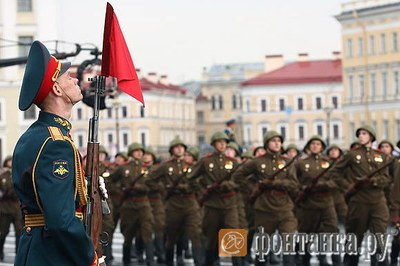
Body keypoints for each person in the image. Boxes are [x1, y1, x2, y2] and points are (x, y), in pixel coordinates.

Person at [12, 41, 97, 265]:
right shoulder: (55, 143)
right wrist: (90, 257)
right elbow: (61, 219)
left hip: (37, 250)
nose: (76, 79)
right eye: (68, 77)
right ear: (57, 90)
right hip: (53, 254)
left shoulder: (35, 135)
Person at [232, 131, 299, 266]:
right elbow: (238, 176)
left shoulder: (287, 162)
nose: (276, 143)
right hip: (264, 208)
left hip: (284, 207)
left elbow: (294, 184)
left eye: (279, 141)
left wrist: (276, 184)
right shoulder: (257, 162)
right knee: (263, 246)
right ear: (267, 143)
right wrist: (253, 188)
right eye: (273, 140)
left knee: (289, 241)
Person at [330, 125, 390, 265]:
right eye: (359, 134)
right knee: (354, 237)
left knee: (379, 236)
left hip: (377, 201)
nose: (361, 136)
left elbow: (386, 178)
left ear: (371, 136)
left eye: (364, 133)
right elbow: (334, 173)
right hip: (359, 200)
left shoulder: (381, 156)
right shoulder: (351, 155)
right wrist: (349, 186)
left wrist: (373, 181)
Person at [0, 156, 23, 261]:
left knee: (19, 231)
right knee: (3, 232)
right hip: (5, 208)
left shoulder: (18, 174)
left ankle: (18, 254)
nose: (11, 163)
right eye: (9, 161)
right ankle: (0, 252)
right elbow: (4, 190)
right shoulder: (3, 175)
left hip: (16, 208)